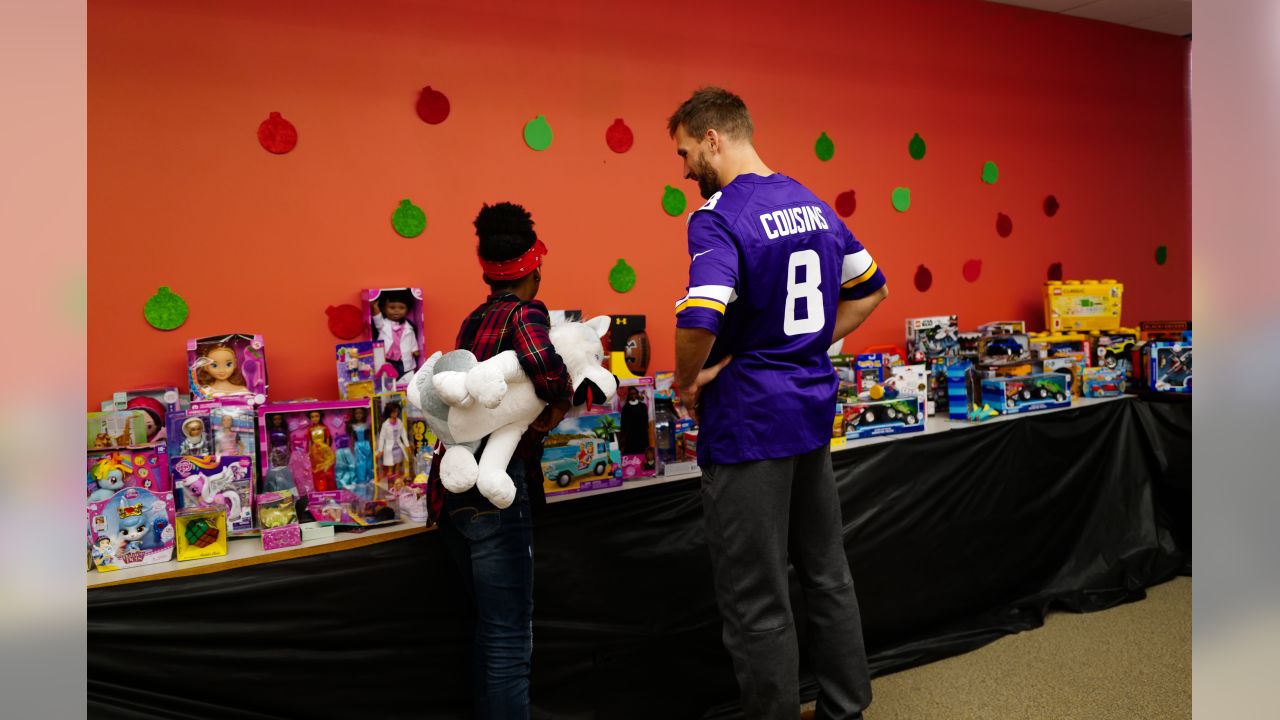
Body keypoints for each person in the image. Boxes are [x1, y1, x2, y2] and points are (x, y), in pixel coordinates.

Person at [668, 87, 890, 720]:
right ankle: (847, 708)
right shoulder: (812, 204)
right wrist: (807, 342)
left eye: (686, 152)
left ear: (713, 137)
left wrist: (689, 380)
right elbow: (871, 288)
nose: (684, 168)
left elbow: (702, 310)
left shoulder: (716, 215)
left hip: (748, 424)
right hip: (810, 413)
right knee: (827, 574)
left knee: (755, 595)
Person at [432, 201, 574, 719]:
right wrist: (560, 399)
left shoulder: (474, 321)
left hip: (454, 483)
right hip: (499, 486)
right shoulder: (525, 313)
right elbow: (548, 369)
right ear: (533, 271)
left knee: (489, 629)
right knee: (510, 635)